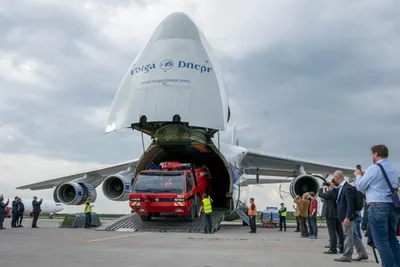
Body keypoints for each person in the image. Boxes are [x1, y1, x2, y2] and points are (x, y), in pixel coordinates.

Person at [355, 144, 400, 266]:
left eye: (372, 154)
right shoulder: (394, 169)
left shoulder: (373, 168)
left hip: (378, 207)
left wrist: (358, 175)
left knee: (381, 241)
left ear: (375, 154)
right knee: (392, 239)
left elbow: (360, 186)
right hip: (393, 207)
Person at [333, 170, 368, 262]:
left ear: (337, 177)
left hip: (346, 217)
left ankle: (347, 256)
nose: (334, 179)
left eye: (334, 178)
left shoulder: (347, 188)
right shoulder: (342, 187)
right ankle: (363, 254)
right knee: (354, 236)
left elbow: (350, 204)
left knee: (348, 236)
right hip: (344, 216)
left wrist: (348, 217)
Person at [318, 179, 344, 254]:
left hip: (330, 214)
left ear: (332, 184)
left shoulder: (332, 192)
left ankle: (333, 249)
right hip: (337, 214)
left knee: (332, 232)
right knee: (339, 231)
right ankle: (342, 248)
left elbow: (321, 195)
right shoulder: (338, 191)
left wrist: (321, 187)